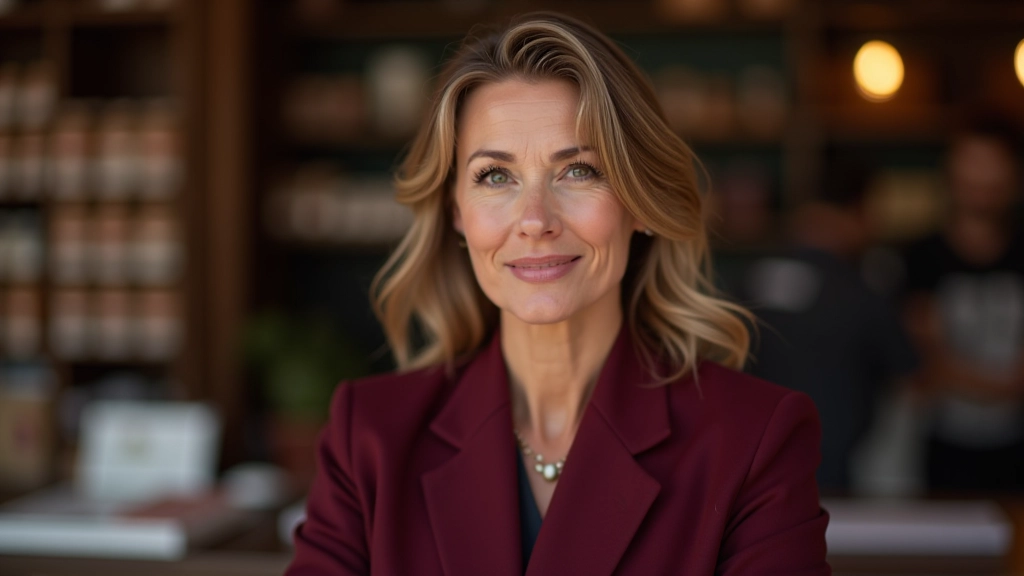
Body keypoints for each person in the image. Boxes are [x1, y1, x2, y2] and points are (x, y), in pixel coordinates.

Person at [285, 12, 830, 575]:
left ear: (638, 202)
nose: (535, 220)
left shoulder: (754, 439)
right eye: (496, 176)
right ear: (455, 211)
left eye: (579, 171)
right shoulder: (368, 436)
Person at [903, 117, 1024, 492]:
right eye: (973, 162)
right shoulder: (920, 257)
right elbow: (921, 366)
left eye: (993, 163)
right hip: (943, 452)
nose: (982, 177)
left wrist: (959, 376)